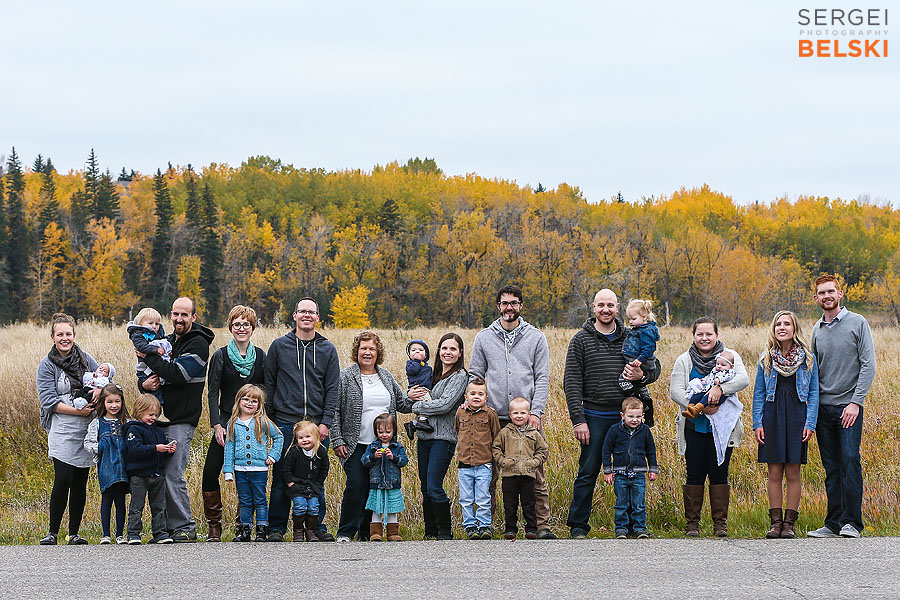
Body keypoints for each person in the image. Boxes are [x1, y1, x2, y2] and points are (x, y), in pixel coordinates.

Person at [564, 289, 661, 539]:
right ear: (593, 307)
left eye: (610, 305)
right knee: (588, 470)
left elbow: (654, 366)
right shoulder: (580, 340)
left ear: (617, 307)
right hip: (594, 414)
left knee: (632, 471)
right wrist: (578, 420)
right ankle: (578, 525)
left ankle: (631, 526)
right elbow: (572, 382)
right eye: (600, 305)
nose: (605, 310)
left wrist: (643, 376)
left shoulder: (633, 334)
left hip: (628, 417)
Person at [469, 284, 554, 538]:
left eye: (514, 303)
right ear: (498, 306)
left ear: (521, 306)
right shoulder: (484, 337)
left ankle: (541, 526)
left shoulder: (536, 337)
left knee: (533, 474)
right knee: (490, 475)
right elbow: (475, 375)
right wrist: (475, 404)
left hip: (525, 417)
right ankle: (488, 526)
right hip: (493, 417)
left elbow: (542, 378)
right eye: (505, 303)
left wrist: (536, 412)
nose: (509, 307)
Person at [138, 296, 214, 542]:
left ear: (193, 317)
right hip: (158, 419)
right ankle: (165, 529)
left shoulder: (199, 345)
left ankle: (185, 527)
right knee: (159, 475)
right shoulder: (168, 342)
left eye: (184, 315)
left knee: (173, 474)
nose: (179, 319)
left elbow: (177, 374)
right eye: (175, 314)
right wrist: (143, 383)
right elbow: (153, 377)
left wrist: (146, 355)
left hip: (182, 419)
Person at [264, 297, 340, 542]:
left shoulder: (327, 349)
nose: (307, 315)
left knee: (315, 479)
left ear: (318, 318)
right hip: (285, 423)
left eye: (312, 312)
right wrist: (272, 421)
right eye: (302, 311)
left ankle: (316, 528)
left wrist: (325, 422)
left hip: (316, 425)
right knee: (281, 479)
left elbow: (333, 389)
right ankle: (276, 527)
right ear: (294, 315)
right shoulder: (279, 346)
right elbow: (270, 384)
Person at [807, 274, 875, 539]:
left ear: (840, 294)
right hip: (824, 409)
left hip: (849, 409)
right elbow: (814, 372)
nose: (827, 296)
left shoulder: (858, 323)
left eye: (831, 292)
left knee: (850, 461)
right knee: (831, 467)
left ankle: (852, 523)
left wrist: (856, 403)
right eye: (822, 293)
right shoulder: (817, 330)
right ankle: (833, 523)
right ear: (816, 298)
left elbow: (868, 365)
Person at [670, 317, 749, 537]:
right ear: (693, 336)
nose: (704, 338)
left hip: (722, 430)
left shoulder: (730, 356)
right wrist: (700, 407)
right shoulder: (684, 360)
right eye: (700, 334)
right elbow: (675, 391)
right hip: (694, 427)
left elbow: (743, 379)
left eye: (709, 334)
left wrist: (720, 390)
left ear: (717, 335)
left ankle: (719, 524)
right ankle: (692, 525)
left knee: (719, 474)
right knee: (694, 474)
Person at [333, 331, 407, 542]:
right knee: (356, 485)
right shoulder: (346, 377)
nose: (367, 352)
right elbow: (335, 410)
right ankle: (345, 532)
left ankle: (368, 533)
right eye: (363, 348)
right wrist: (337, 439)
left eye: (371, 349)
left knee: (373, 487)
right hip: (355, 443)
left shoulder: (386, 376)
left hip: (382, 445)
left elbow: (401, 403)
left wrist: (421, 398)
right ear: (357, 351)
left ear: (378, 352)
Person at [753, 311, 819, 539]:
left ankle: (789, 524)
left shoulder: (807, 358)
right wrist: (757, 423)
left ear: (794, 329)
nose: (782, 327)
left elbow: (813, 393)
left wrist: (810, 423)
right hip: (772, 416)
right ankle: (775, 523)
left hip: (797, 415)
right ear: (773, 329)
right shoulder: (766, 358)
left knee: (793, 472)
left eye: (787, 324)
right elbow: (759, 394)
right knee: (774, 472)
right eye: (778, 324)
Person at [37, 313, 101, 545]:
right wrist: (77, 411)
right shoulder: (46, 365)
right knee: (62, 478)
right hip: (62, 426)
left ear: (74, 335)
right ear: (53, 337)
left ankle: (73, 533)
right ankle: (52, 532)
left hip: (85, 428)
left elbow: (101, 381)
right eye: (60, 334)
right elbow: (49, 402)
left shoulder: (86, 358)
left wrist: (97, 393)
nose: (65, 338)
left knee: (79, 482)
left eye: (68, 334)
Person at [203, 305, 266, 542]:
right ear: (231, 327)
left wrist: (261, 420)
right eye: (237, 324)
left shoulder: (260, 356)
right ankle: (214, 526)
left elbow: (265, 388)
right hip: (226, 425)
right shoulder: (220, 355)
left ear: (252, 328)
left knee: (250, 475)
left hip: (252, 427)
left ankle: (245, 525)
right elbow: (212, 393)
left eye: (246, 324)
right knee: (210, 473)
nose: (242, 328)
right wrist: (217, 425)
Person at [398, 332, 468, 540]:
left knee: (434, 485)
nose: (448, 352)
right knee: (424, 487)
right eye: (444, 348)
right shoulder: (430, 373)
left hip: (443, 439)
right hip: (425, 438)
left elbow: (445, 405)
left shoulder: (460, 376)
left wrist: (418, 405)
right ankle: (430, 532)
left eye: (453, 349)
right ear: (438, 351)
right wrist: (408, 396)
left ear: (460, 353)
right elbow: (408, 401)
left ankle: (445, 532)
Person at [222, 384, 284, 543]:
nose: (250, 403)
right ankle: (245, 530)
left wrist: (273, 455)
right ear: (239, 400)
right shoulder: (233, 423)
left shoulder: (261, 421)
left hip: (259, 469)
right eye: (246, 399)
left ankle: (261, 531)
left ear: (259, 405)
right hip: (240, 469)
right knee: (244, 500)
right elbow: (229, 447)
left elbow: (278, 437)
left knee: (260, 499)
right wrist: (228, 469)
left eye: (254, 401)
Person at [491, 397, 549, 540]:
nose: (519, 416)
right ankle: (510, 529)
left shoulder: (534, 433)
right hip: (509, 475)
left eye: (523, 413)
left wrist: (534, 462)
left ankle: (531, 529)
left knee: (529, 503)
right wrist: (503, 461)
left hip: (528, 474)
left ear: (529, 414)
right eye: (515, 413)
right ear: (510, 415)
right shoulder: (505, 432)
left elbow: (543, 450)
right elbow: (496, 448)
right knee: (510, 504)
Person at [602, 397, 658, 539]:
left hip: (638, 474)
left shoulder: (645, 431)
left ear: (643, 416)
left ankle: (640, 528)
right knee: (621, 503)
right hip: (620, 473)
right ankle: (621, 529)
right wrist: (608, 471)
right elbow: (606, 450)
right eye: (631, 416)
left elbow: (651, 450)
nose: (634, 420)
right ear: (623, 415)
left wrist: (653, 469)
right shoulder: (615, 430)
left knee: (639, 503)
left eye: (638, 416)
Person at [123, 394, 176, 544]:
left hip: (157, 474)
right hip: (139, 475)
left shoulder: (158, 432)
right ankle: (133, 534)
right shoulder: (133, 430)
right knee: (136, 506)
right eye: (150, 414)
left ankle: (160, 533)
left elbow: (161, 452)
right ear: (140, 412)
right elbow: (134, 449)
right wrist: (155, 448)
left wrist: (168, 450)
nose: (153, 418)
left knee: (159, 506)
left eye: (156, 415)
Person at [84, 383, 130, 544]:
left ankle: (120, 534)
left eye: (117, 401)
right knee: (106, 499)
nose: (114, 405)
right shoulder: (97, 423)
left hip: (123, 468)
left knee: (120, 501)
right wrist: (99, 448)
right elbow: (87, 443)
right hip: (105, 467)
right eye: (110, 402)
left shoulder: (126, 422)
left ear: (122, 402)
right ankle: (105, 534)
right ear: (103, 403)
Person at [454, 377, 500, 540]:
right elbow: (457, 430)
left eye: (481, 394)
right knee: (466, 498)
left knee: (483, 497)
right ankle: (470, 526)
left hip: (484, 464)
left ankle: (484, 525)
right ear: (465, 397)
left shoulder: (490, 414)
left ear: (486, 397)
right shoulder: (460, 412)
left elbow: (496, 436)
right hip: (464, 464)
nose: (476, 396)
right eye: (472, 393)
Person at [361, 413, 409, 541]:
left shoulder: (397, 447)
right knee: (376, 509)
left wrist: (393, 457)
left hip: (392, 484)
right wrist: (373, 457)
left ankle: (392, 533)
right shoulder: (372, 447)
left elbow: (404, 461)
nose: (384, 434)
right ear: (376, 432)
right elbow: (364, 461)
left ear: (393, 431)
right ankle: (375, 533)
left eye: (388, 431)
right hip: (377, 483)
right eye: (380, 431)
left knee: (392, 509)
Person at [281, 421, 329, 542]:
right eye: (301, 438)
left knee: (313, 507)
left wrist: (318, 483)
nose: (305, 440)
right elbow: (286, 469)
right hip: (297, 487)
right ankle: (298, 531)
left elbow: (324, 469)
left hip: (313, 487)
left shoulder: (320, 451)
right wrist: (290, 483)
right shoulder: (294, 452)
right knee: (300, 506)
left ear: (316, 436)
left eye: (308, 436)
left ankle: (311, 531)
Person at [617, 299, 660, 425]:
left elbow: (650, 351)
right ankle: (646, 404)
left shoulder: (644, 331)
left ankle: (640, 400)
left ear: (644, 317)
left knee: (623, 381)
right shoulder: (635, 331)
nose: (630, 322)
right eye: (629, 319)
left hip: (638, 363)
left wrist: (641, 370)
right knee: (641, 387)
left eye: (633, 319)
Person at [127, 307, 172, 406]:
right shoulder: (138, 333)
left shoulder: (157, 333)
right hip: (145, 370)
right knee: (154, 391)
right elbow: (140, 346)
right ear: (141, 323)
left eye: (157, 323)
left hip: (155, 368)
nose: (154, 326)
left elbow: (164, 340)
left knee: (160, 387)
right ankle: (157, 408)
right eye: (150, 323)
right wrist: (155, 349)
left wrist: (168, 349)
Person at [681, 351, 737, 418]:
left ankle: (697, 409)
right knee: (696, 396)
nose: (719, 366)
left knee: (706, 398)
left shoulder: (729, 372)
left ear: (731, 366)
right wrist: (704, 380)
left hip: (719, 396)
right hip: (707, 390)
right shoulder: (715, 370)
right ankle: (690, 409)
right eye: (717, 364)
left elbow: (728, 377)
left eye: (723, 365)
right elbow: (709, 376)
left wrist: (719, 380)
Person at [403, 339, 434, 438]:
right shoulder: (411, 364)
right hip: (418, 389)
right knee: (429, 404)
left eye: (420, 350)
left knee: (427, 403)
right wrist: (416, 360)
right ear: (410, 354)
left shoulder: (426, 366)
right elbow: (413, 371)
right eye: (413, 350)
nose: (417, 352)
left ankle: (413, 424)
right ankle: (422, 421)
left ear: (426, 355)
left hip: (425, 389)